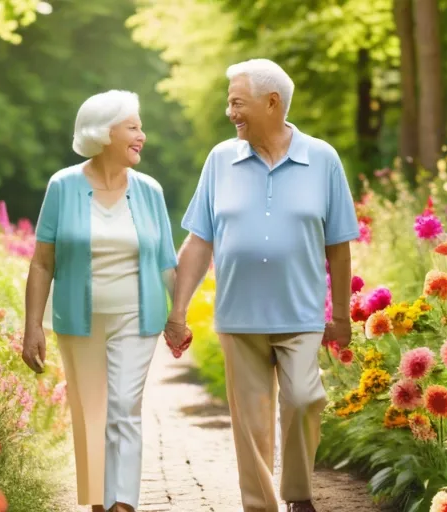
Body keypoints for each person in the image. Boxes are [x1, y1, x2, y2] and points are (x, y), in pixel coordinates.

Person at [164, 59, 360, 512]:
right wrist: (177, 312)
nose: (229, 111)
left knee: (305, 397)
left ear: (272, 103)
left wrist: (343, 315)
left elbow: (340, 246)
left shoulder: (322, 158)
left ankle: (298, 494)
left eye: (237, 101)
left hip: (300, 313)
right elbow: (198, 242)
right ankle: (260, 506)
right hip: (240, 314)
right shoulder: (220, 160)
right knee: (250, 425)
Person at [22, 90, 180, 512]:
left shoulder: (148, 190)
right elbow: (42, 263)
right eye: (133, 127)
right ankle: (97, 504)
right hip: (79, 319)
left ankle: (122, 505)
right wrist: (32, 326)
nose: (142, 135)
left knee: (124, 407)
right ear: (104, 132)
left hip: (137, 316)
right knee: (91, 413)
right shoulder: (63, 185)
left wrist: (177, 315)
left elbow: (167, 261)